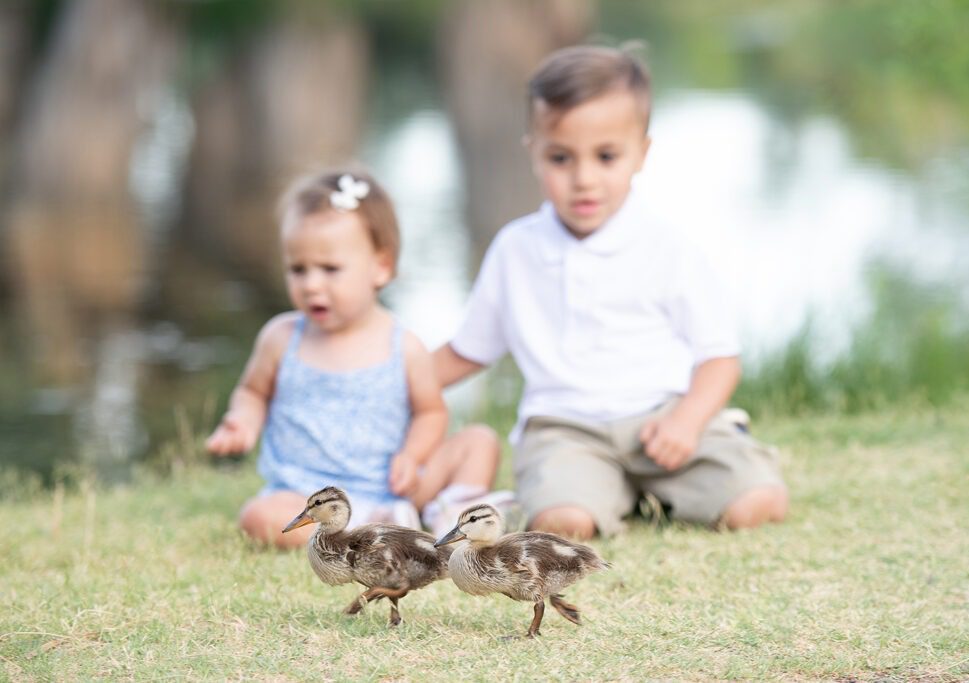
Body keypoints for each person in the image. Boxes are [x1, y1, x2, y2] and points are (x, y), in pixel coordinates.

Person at [431, 45, 789, 540]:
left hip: (664, 419)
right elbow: (466, 351)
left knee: (757, 503)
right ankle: (605, 491)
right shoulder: (516, 250)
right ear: (532, 151)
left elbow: (719, 358)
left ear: (641, 153)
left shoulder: (667, 248)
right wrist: (391, 383)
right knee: (564, 523)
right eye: (560, 158)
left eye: (606, 156)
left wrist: (687, 421)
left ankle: (674, 475)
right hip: (565, 429)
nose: (584, 179)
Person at [206, 168, 503, 549]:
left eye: (330, 269)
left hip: (391, 493)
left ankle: (445, 518)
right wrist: (242, 421)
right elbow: (252, 392)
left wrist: (413, 456)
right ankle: (359, 536)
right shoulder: (281, 339)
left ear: (380, 267)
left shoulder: (404, 346)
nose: (311, 284)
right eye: (298, 269)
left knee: (479, 442)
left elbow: (431, 413)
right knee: (260, 517)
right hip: (306, 495)